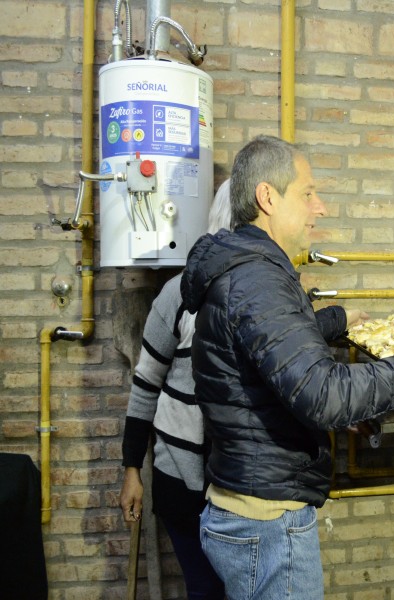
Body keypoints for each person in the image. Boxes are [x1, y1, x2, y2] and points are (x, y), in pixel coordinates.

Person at [179, 134, 394, 600]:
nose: (321, 207)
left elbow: (272, 369)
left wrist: (336, 324)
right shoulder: (257, 278)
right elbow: (322, 394)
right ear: (267, 198)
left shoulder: (247, 270)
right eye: (308, 192)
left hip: (249, 504)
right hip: (268, 522)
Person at [118, 180, 232, 600]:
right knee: (206, 589)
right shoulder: (179, 294)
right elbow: (146, 384)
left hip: (242, 486)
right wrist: (132, 469)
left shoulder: (270, 297)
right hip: (183, 482)